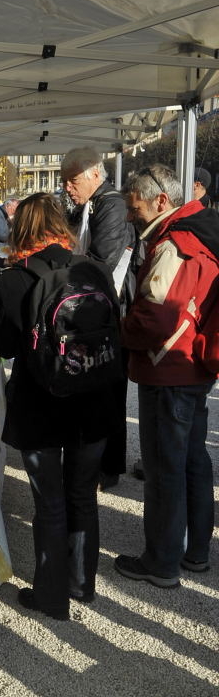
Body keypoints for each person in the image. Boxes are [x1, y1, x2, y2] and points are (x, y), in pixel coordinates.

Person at [0, 193, 120, 620]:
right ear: (60, 226)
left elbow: (4, 347)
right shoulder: (95, 270)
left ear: (21, 229)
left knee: (49, 502)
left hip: (40, 404)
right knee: (82, 494)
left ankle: (50, 596)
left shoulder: (13, 278)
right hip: (94, 398)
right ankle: (82, 584)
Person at [114, 164, 218, 588]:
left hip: (169, 368)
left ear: (161, 201)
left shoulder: (176, 242)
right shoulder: (201, 229)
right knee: (192, 460)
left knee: (164, 469)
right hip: (192, 364)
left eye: (134, 207)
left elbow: (156, 318)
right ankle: (195, 552)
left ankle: (161, 562)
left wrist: (119, 331)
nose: (130, 215)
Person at [60, 146, 136, 489]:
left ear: (94, 174)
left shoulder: (112, 205)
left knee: (109, 388)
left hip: (110, 309)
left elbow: (102, 258)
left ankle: (109, 465)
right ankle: (96, 460)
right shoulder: (91, 203)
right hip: (96, 305)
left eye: (72, 180)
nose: (67, 187)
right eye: (64, 181)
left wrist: (63, 266)